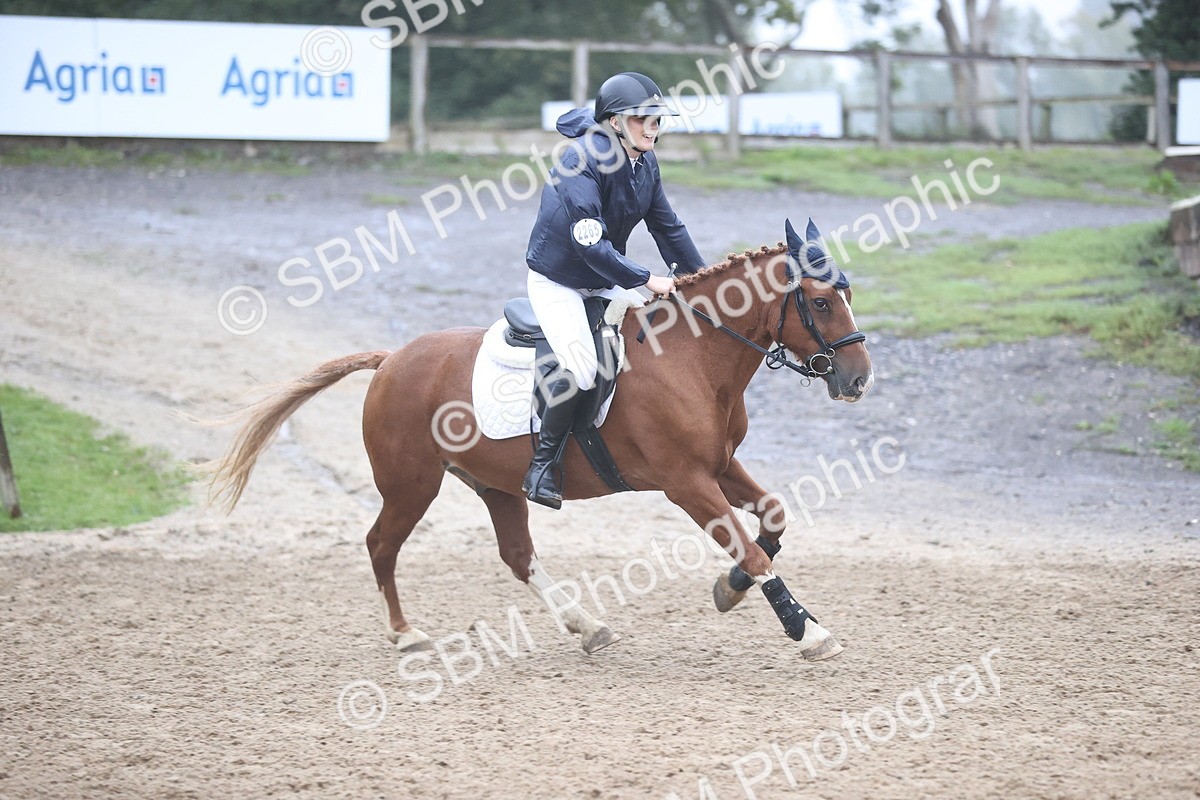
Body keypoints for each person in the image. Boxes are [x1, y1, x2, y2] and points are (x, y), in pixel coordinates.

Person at [522, 71, 706, 509]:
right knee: (583, 369)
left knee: (659, 339)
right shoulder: (579, 162)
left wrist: (703, 282)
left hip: (603, 279)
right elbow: (590, 245)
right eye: (644, 119)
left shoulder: (645, 163)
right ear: (616, 122)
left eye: (658, 120)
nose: (653, 127)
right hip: (560, 282)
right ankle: (542, 466)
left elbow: (668, 228)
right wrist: (646, 279)